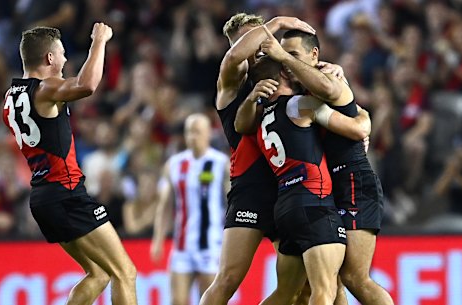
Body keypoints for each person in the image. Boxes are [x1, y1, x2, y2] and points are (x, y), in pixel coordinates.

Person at [1, 24, 138, 305]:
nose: (65, 61)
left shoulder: (11, 97)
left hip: (43, 197)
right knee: (125, 272)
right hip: (66, 192)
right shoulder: (45, 89)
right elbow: (86, 85)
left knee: (98, 273)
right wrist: (99, 41)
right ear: (49, 58)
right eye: (61, 54)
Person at [260, 27, 394, 305]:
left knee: (355, 278)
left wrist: (363, 124)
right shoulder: (304, 93)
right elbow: (358, 117)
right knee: (333, 281)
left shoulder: (329, 79)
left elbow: (357, 124)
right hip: (328, 188)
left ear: (314, 54)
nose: (286, 62)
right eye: (283, 56)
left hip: (353, 181)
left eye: (292, 54)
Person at [198, 13, 319, 305]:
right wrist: (276, 22)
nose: (260, 44)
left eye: (264, 36)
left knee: (299, 291)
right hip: (250, 190)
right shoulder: (232, 82)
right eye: (253, 37)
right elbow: (233, 57)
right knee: (228, 278)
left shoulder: (284, 73)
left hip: (289, 189)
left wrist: (334, 70)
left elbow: (318, 77)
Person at [236, 51, 373, 304]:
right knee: (325, 290)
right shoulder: (301, 105)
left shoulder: (260, 118)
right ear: (284, 74)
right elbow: (357, 129)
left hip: (285, 208)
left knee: (285, 293)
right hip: (314, 202)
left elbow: (239, 125)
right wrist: (363, 113)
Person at [150, 113, 229, 305]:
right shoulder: (174, 165)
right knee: (177, 301)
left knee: (211, 300)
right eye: (189, 132)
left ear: (209, 133)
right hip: (182, 245)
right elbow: (165, 205)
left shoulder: (220, 163)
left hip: (210, 244)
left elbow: (231, 203)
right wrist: (158, 239)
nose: (193, 136)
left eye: (198, 131)